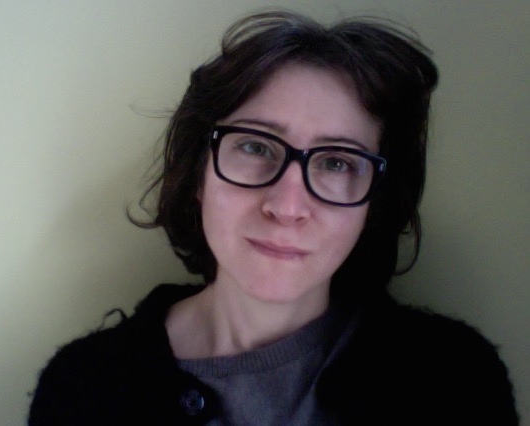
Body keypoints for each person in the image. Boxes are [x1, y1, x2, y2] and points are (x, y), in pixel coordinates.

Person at [28, 9, 519, 425]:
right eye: (256, 147)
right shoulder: (82, 390)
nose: (286, 206)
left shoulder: (455, 380)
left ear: (374, 202)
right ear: (198, 174)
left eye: (337, 162)